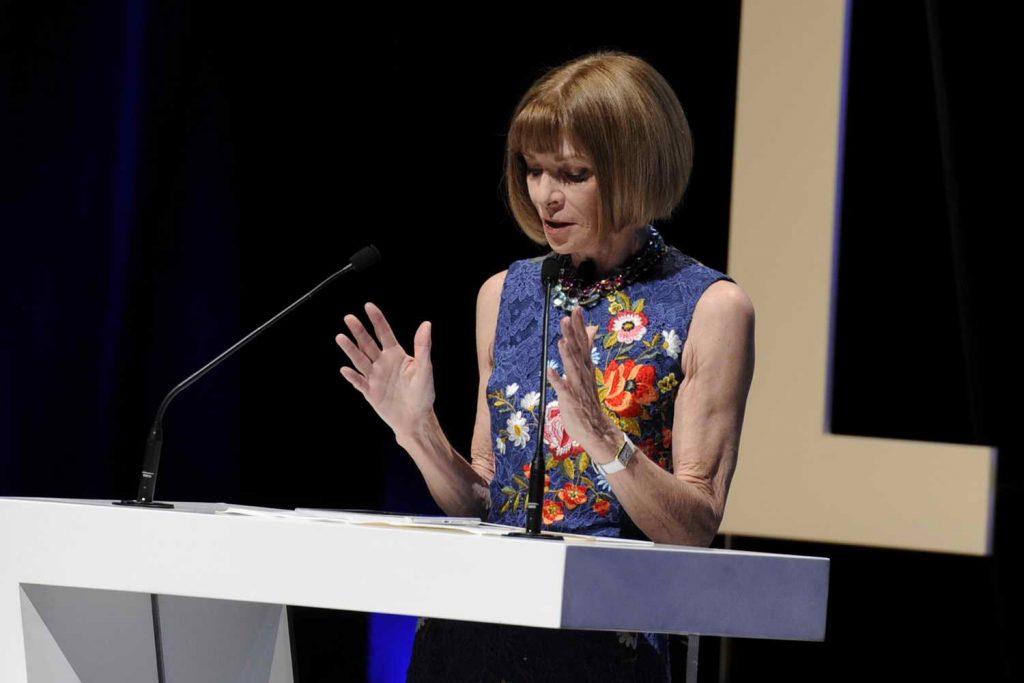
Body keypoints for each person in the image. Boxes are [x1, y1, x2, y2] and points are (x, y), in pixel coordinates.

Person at [335, 50, 755, 682]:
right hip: (472, 628)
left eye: (573, 173)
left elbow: (693, 527)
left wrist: (602, 434)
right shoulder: (504, 294)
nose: (545, 197)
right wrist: (416, 432)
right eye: (533, 171)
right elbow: (482, 500)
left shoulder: (710, 307)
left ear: (635, 169)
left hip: (603, 641)